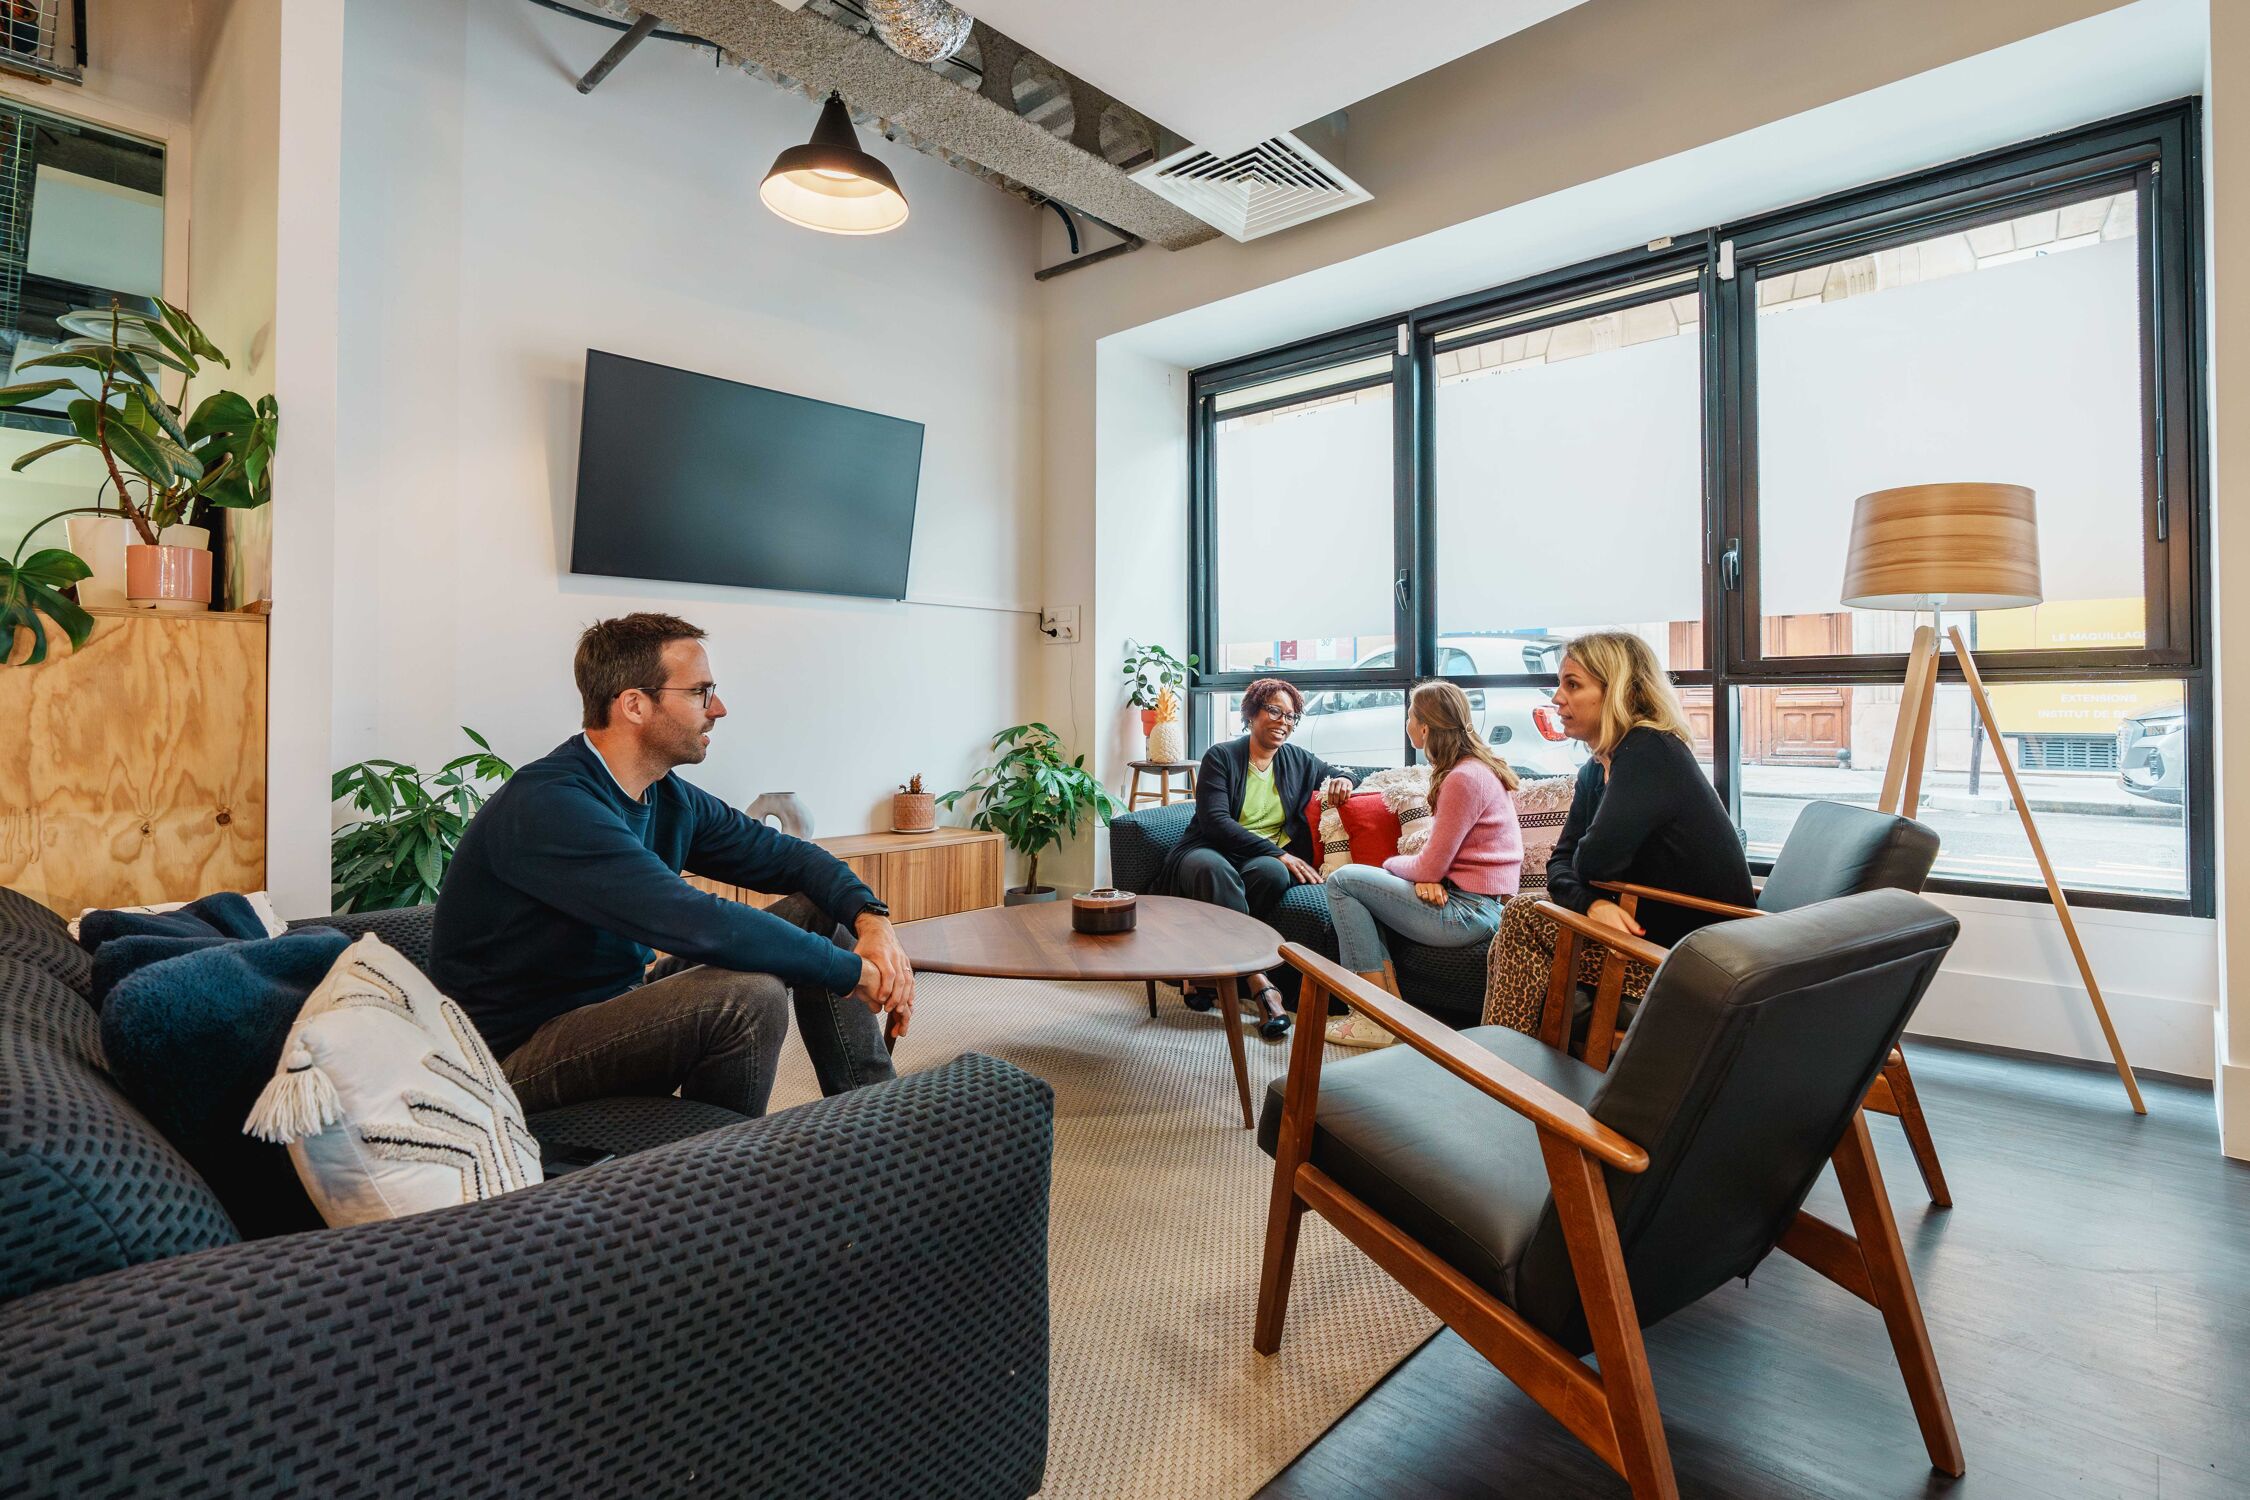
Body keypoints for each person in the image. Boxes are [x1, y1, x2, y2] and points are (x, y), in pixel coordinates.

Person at [430, 612, 912, 1119]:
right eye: (700, 693)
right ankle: (707, 1168)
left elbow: (793, 857)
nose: (719, 709)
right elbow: (698, 923)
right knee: (746, 996)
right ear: (635, 705)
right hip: (509, 1063)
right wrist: (853, 971)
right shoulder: (550, 806)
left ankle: (878, 1120)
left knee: (823, 911)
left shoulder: (666, 795)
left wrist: (872, 920)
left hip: (612, 1004)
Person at [1482, 630, 1754, 1035]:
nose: (1557, 698)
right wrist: (1593, 904)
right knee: (1523, 918)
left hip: (1693, 964)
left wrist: (1585, 888)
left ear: (1618, 691)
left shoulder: (1649, 752)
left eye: (1573, 685)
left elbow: (1592, 861)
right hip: (1645, 943)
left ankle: (1499, 1072)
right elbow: (1561, 864)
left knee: (1523, 916)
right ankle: (1508, 1067)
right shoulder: (1597, 767)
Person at [1322, 681, 1523, 1049]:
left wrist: (1394, 866)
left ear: (1426, 727)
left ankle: (1372, 1017)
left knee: (1344, 881)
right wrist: (1431, 877)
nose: (1407, 722)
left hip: (1468, 913)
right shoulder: (1475, 769)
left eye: (1410, 716)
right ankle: (1388, 1014)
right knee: (1361, 892)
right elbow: (1447, 859)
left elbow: (1429, 864)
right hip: (1473, 902)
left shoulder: (1463, 777)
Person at [1160, 677, 1355, 1038]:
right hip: (1210, 849)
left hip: (1259, 860)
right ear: (1252, 713)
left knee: (1273, 875)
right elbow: (1215, 822)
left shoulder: (1297, 760)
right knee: (1212, 870)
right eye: (1274, 711)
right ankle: (1260, 983)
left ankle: (1204, 975)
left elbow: (1337, 771)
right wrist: (1279, 852)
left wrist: (1342, 778)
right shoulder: (1221, 757)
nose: (1283, 721)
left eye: (1291, 716)